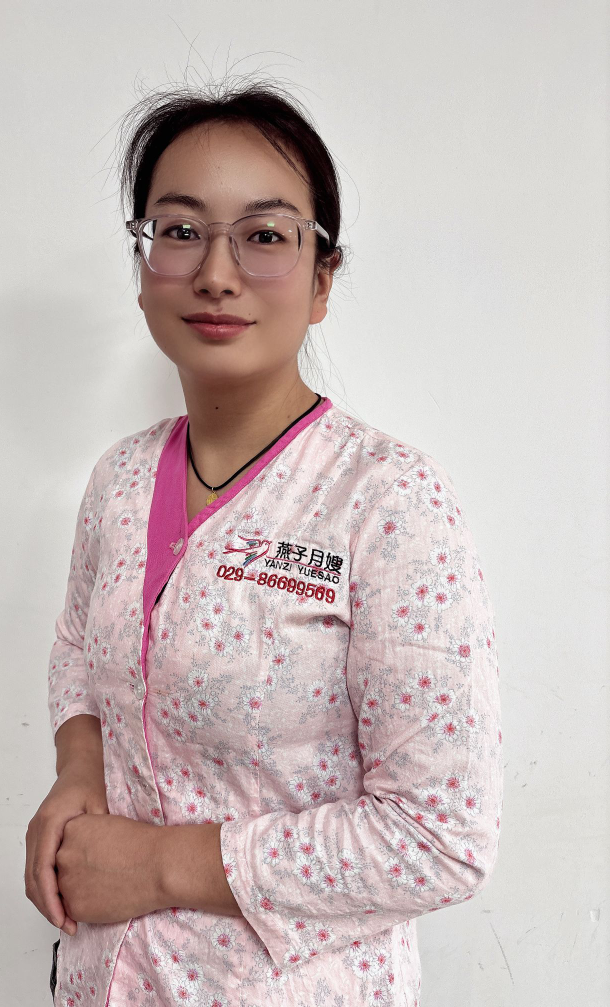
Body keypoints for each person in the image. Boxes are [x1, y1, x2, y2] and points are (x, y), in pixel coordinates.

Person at [25, 79, 504, 1007]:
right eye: (179, 230)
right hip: (106, 979)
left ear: (323, 280)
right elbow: (79, 645)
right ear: (142, 266)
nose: (216, 272)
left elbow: (441, 836)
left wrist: (157, 864)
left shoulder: (388, 503)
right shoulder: (120, 481)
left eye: (266, 235)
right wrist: (77, 772)